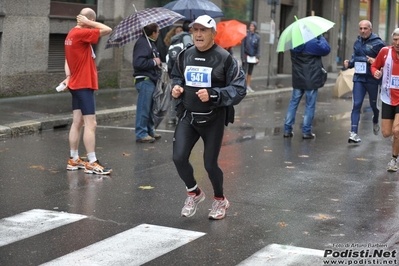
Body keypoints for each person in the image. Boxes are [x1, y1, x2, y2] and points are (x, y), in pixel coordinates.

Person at [170, 15, 246, 220]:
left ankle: (220, 200)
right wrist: (176, 87)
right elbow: (177, 75)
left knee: (210, 165)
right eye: (195, 30)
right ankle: (194, 192)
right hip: (188, 116)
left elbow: (239, 89)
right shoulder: (185, 55)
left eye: (203, 30)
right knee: (178, 158)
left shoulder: (225, 58)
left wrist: (214, 94)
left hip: (213, 119)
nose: (198, 34)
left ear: (213, 34)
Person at [63, 8, 113, 175]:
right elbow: (107, 30)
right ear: (88, 21)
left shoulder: (71, 34)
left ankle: (74, 158)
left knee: (77, 122)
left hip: (76, 84)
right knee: (91, 124)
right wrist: (89, 23)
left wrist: (68, 77)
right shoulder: (81, 33)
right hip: (84, 84)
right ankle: (92, 161)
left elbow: (67, 60)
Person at [344, 20, 385, 144]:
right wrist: (349, 63)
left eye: (365, 28)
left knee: (374, 106)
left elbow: (385, 60)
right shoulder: (357, 42)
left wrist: (376, 62)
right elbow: (355, 58)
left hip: (373, 79)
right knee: (356, 105)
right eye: (361, 28)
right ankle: (353, 133)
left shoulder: (378, 43)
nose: (363, 31)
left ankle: (375, 120)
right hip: (359, 79)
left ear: (370, 29)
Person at [283, 34, 331, 139]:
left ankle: (287, 129)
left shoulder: (293, 42)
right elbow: (327, 49)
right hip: (311, 79)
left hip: (298, 78)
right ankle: (306, 131)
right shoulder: (312, 42)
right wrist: (320, 37)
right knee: (310, 105)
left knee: (293, 103)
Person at [371, 28, 399, 172]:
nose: (398, 43)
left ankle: (394, 159)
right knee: (387, 133)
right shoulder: (385, 52)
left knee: (397, 130)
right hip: (388, 96)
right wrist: (375, 71)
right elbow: (375, 65)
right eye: (395, 39)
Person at [132, 23, 162, 143]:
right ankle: (141, 133)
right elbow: (138, 63)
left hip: (150, 79)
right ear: (153, 33)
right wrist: (154, 62)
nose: (159, 34)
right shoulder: (143, 43)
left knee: (150, 108)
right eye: (158, 32)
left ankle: (150, 130)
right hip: (144, 79)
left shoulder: (149, 43)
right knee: (144, 107)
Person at [166, 21, 193, 125]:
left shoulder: (174, 40)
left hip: (173, 70)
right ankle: (179, 116)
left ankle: (171, 118)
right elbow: (190, 53)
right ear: (190, 29)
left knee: (175, 93)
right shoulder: (186, 38)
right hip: (183, 71)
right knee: (181, 94)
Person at [241, 21, 260, 93]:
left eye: (252, 26)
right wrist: (242, 57)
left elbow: (258, 47)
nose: (251, 27)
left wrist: (257, 57)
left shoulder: (257, 37)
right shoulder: (246, 35)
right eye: (250, 26)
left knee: (250, 72)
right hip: (246, 56)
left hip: (253, 57)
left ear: (255, 28)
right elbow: (243, 46)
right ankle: (243, 86)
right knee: (244, 71)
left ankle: (248, 85)